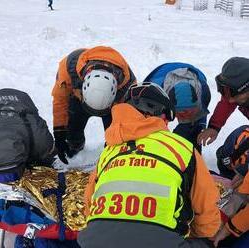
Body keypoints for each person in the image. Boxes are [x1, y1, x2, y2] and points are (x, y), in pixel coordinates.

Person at [78, 82, 220, 248]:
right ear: (160, 114)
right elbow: (206, 207)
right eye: (167, 119)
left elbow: (89, 205)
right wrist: (202, 238)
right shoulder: (182, 148)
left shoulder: (109, 151)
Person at [52, 46, 136, 164]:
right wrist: (59, 134)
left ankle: (111, 154)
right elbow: (60, 101)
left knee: (115, 139)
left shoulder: (128, 85)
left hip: (112, 107)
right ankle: (75, 146)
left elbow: (125, 120)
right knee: (73, 132)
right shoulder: (68, 67)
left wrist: (118, 145)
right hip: (78, 99)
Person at [144, 62, 211, 153]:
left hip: (194, 73)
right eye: (181, 114)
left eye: (190, 111)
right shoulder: (153, 91)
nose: (186, 116)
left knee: (192, 126)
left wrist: (200, 127)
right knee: (152, 126)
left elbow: (201, 114)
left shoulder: (204, 92)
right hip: (160, 75)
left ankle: (193, 156)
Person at [198, 57, 249, 146]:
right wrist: (214, 127)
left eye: (235, 94)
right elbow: (226, 104)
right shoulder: (234, 92)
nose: (231, 100)